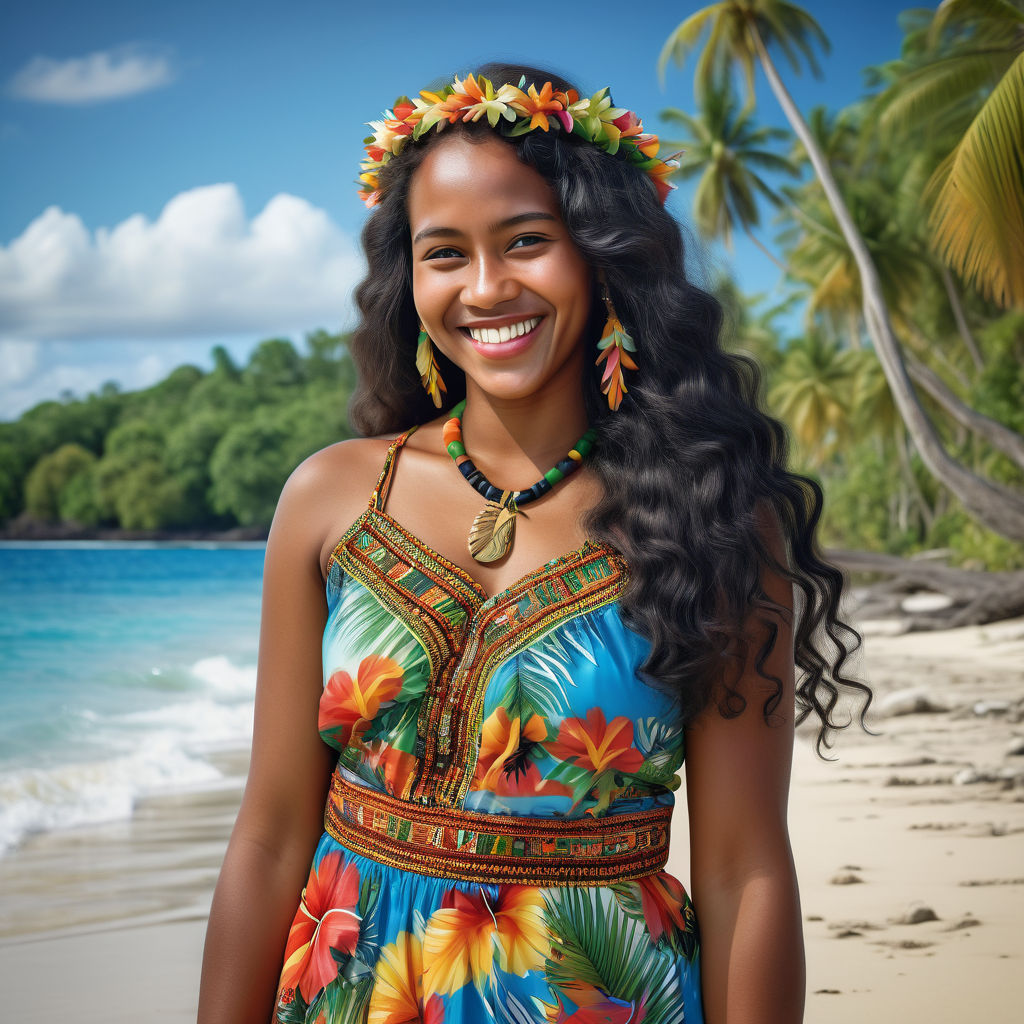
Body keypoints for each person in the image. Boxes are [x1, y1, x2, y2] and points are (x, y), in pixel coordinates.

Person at [197, 61, 870, 1024]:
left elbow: (743, 867)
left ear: (604, 254)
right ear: (409, 279)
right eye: (444, 253)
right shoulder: (333, 497)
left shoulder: (711, 516)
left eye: (526, 241)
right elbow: (268, 836)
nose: (486, 287)